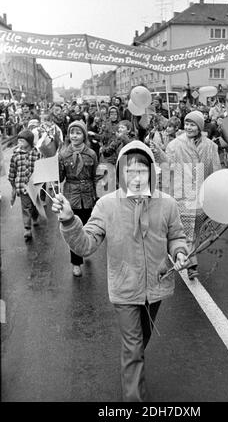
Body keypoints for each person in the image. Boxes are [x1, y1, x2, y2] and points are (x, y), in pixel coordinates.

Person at [52, 140, 188, 402]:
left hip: (157, 286)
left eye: (141, 171)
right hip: (124, 288)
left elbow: (176, 237)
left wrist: (180, 253)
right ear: (120, 173)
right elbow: (86, 243)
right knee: (134, 347)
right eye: (129, 171)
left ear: (151, 172)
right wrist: (69, 220)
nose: (136, 177)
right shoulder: (106, 205)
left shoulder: (168, 204)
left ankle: (130, 369)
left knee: (140, 343)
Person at [151, 110, 221, 280]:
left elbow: (215, 169)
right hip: (182, 192)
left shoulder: (210, 146)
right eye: (187, 124)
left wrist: (216, 189)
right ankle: (191, 264)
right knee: (186, 230)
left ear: (200, 126)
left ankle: (189, 256)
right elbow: (168, 167)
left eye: (193, 124)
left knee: (196, 230)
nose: (189, 127)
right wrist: (159, 154)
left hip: (202, 193)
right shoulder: (175, 145)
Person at [58, 120, 98, 277]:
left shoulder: (92, 154)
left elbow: (97, 176)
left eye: (78, 133)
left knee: (86, 226)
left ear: (84, 135)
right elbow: (60, 177)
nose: (74, 136)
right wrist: (54, 165)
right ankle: (76, 262)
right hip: (71, 195)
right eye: (72, 133)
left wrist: (98, 195)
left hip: (88, 195)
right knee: (73, 230)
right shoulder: (63, 154)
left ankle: (85, 248)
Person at [8, 129, 40, 240]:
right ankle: (27, 229)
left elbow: (42, 169)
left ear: (30, 141)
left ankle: (35, 216)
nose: (20, 143)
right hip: (23, 187)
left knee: (35, 205)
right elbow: (12, 171)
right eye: (19, 141)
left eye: (22, 141)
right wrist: (13, 184)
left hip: (35, 186)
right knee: (26, 207)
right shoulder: (16, 156)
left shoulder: (37, 154)